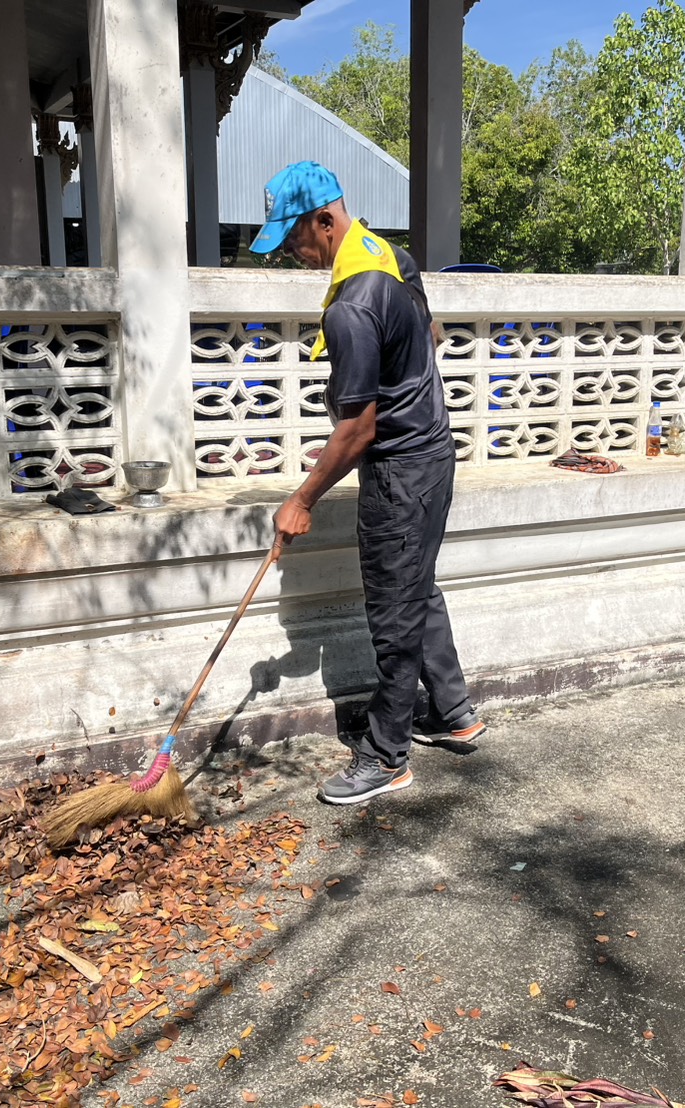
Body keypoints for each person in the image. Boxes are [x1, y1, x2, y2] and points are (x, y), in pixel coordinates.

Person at [250, 161, 484, 805]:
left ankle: (386, 756)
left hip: (400, 471)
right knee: (416, 589)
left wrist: (301, 500)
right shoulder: (388, 255)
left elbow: (357, 430)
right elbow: (431, 332)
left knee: (393, 611)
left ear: (325, 220)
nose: (291, 253)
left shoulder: (352, 306)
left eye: (293, 237)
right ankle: (454, 712)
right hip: (432, 454)